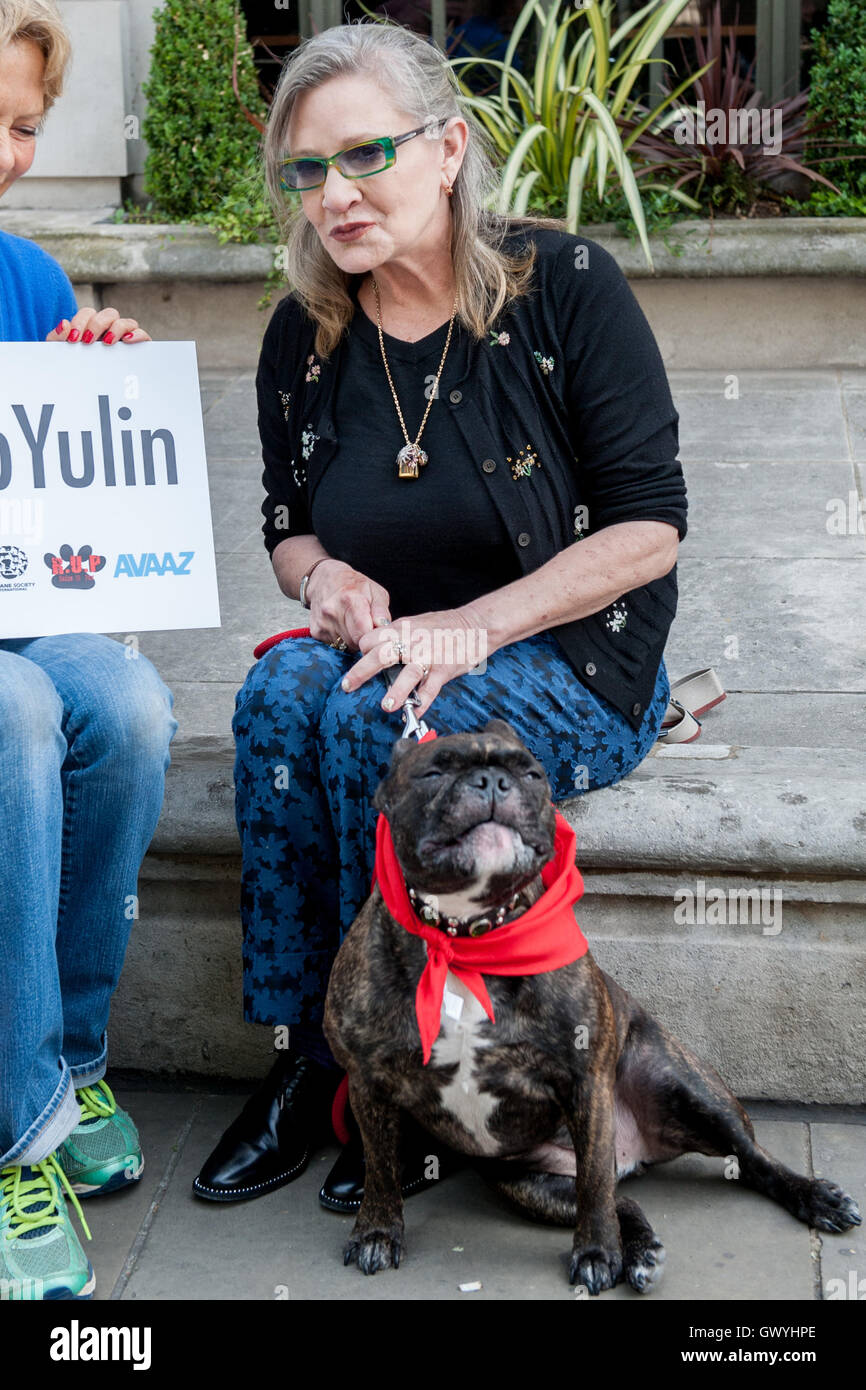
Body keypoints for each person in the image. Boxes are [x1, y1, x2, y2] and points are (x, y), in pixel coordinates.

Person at [193, 19, 687, 1212]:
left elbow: (647, 529)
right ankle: (310, 1059)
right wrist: (324, 583)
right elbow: (287, 528)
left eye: (364, 155)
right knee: (276, 702)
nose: (334, 196)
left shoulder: (563, 289)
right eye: (308, 171)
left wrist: (474, 623)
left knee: (388, 730)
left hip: (567, 658)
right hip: (392, 642)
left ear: (449, 147)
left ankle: (414, 1075)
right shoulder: (301, 337)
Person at [0, 0, 176, 1300]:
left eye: (23, 126)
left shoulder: (33, 278)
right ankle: (19, 1136)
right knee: (12, 716)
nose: (10, 150)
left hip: (21, 610)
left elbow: (74, 506)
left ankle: (71, 1053)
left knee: (131, 698)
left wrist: (95, 375)